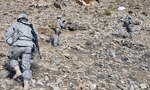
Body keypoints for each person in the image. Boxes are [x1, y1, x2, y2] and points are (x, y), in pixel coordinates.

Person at [5, 13, 39, 90]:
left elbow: (8, 38)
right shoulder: (31, 26)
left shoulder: (15, 24)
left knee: (13, 59)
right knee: (26, 66)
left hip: (18, 45)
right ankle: (26, 85)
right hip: (29, 47)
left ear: (18, 18)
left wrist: (12, 42)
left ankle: (17, 71)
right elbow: (37, 38)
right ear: (26, 19)